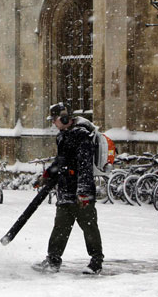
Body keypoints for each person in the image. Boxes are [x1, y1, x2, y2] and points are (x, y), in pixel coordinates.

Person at [32, 102, 104, 275]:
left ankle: (96, 261)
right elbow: (60, 161)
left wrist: (84, 192)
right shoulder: (63, 136)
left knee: (89, 226)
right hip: (65, 190)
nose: (53, 124)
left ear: (64, 118)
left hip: (80, 192)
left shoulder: (82, 136)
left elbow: (85, 165)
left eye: (54, 120)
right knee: (60, 227)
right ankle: (53, 259)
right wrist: (47, 176)